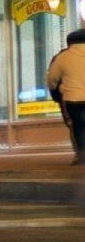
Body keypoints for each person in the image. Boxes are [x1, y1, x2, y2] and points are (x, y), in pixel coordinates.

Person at [47, 29, 85, 164]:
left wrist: (56, 94)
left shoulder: (62, 57)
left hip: (73, 99)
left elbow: (52, 79)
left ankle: (81, 155)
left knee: (78, 127)